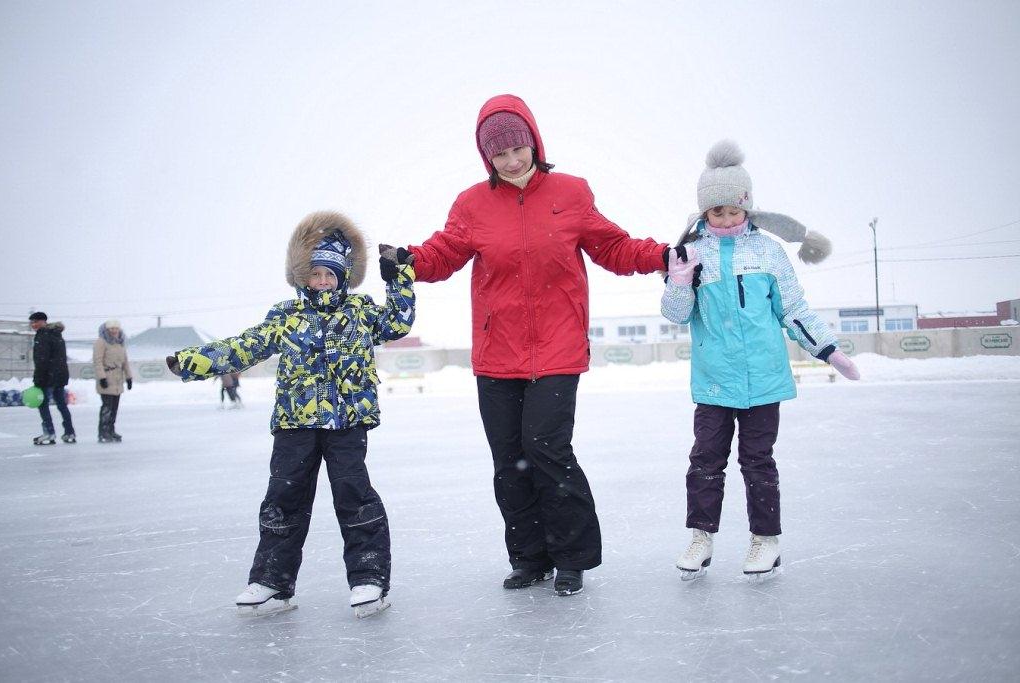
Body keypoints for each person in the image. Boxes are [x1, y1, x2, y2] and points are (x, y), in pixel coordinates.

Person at [382, 94, 672, 597]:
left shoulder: (571, 192)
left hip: (557, 350)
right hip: (497, 355)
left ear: (535, 142)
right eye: (500, 154)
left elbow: (614, 246)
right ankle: (529, 557)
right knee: (508, 459)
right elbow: (443, 253)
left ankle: (572, 558)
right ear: (486, 158)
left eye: (518, 148)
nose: (512, 161)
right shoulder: (471, 204)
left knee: (547, 449)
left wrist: (663, 256)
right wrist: (407, 260)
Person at [166, 211, 415, 618]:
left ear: (343, 277)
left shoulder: (359, 312)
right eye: (314, 273)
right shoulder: (286, 316)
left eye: (329, 274)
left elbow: (398, 322)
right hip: (295, 423)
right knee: (283, 498)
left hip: (346, 422)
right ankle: (272, 582)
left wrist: (399, 275)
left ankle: (369, 578)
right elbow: (244, 347)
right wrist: (194, 361)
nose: (321, 281)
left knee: (354, 496)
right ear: (302, 276)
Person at [660, 140, 861, 582]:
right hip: (714, 381)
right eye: (717, 212)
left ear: (747, 207)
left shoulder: (770, 252)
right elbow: (676, 314)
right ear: (704, 214)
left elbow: (793, 310)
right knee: (705, 460)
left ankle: (765, 540)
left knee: (758, 461)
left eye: (735, 210)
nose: (727, 219)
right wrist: (678, 281)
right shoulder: (693, 254)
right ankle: (700, 537)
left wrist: (828, 350)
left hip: (764, 381)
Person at [29, 311, 75, 445]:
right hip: (59, 375)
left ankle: (49, 432)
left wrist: (38, 378)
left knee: (43, 404)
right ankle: (69, 432)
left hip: (48, 376)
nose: (34, 325)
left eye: (36, 321)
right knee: (61, 404)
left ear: (44, 321)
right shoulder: (57, 334)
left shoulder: (43, 336)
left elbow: (42, 359)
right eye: (32, 322)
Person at [93, 319, 133, 443]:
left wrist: (129, 377)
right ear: (107, 330)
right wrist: (102, 377)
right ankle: (103, 432)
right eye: (111, 329)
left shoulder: (120, 342)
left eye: (116, 329)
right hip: (107, 377)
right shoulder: (101, 342)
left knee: (114, 407)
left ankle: (111, 430)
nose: (114, 331)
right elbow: (97, 361)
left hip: (117, 379)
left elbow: (125, 361)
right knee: (107, 407)